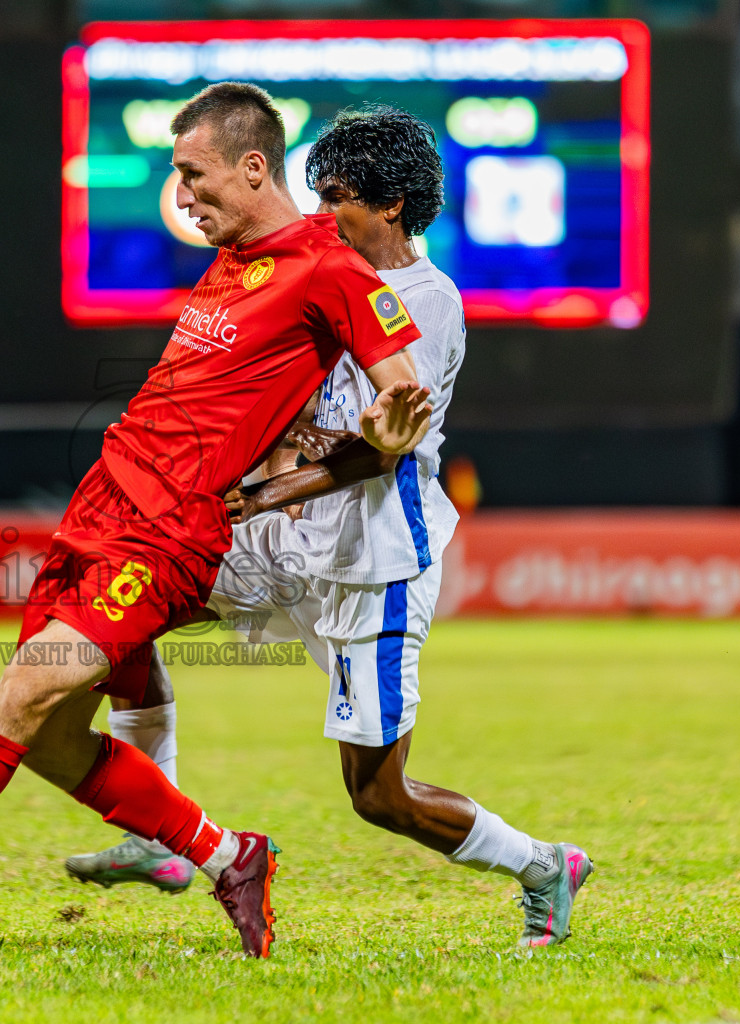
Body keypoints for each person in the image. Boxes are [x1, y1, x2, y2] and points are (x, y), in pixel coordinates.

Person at [0, 83, 436, 959]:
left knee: (22, 696)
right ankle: (229, 856)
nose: (182, 196)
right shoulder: (236, 258)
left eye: (194, 174)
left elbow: (399, 378)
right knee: (54, 741)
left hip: (167, 536)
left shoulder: (333, 267)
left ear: (254, 167)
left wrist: (388, 419)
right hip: (100, 509)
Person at [63, 105, 594, 949]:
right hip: (284, 540)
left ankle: (543, 866)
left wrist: (256, 496)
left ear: (391, 205)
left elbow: (379, 454)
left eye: (338, 195)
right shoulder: (312, 266)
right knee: (129, 613)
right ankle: (157, 835)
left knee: (379, 797)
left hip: (372, 558)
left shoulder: (430, 304)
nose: (319, 211)